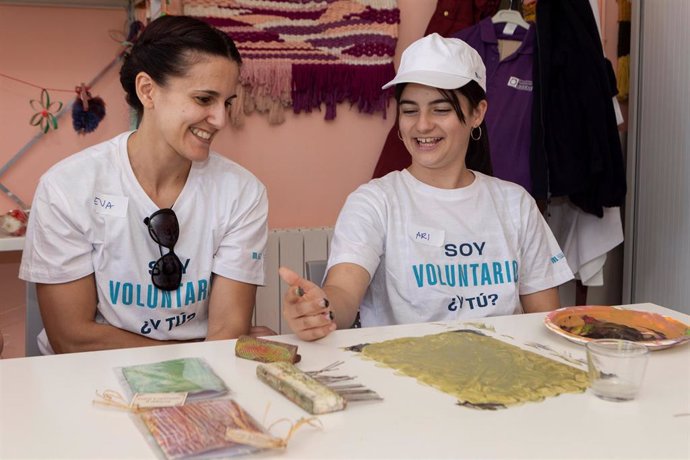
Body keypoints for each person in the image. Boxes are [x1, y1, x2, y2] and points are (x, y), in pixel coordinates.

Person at [280, 33, 573, 341]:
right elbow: (343, 291)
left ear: (477, 113)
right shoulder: (375, 201)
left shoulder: (515, 204)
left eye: (441, 109)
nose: (422, 125)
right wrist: (320, 309)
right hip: (403, 377)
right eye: (409, 110)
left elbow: (545, 321)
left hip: (501, 376)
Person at [19, 15, 270, 354]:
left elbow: (228, 331)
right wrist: (192, 350)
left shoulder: (242, 193)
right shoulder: (67, 187)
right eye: (203, 99)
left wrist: (206, 353)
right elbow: (72, 339)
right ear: (148, 91)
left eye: (227, 102)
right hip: (86, 380)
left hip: (203, 374)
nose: (221, 119)